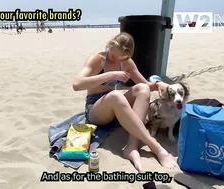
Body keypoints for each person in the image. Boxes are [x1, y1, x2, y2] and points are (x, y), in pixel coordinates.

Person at [72, 32, 178, 172]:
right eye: (113, 57)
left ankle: (132, 146)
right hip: (96, 110)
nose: (115, 62)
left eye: (120, 59)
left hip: (115, 106)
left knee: (143, 89)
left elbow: (146, 84)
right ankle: (156, 147)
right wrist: (110, 75)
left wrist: (159, 84)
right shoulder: (97, 59)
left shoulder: (126, 63)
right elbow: (77, 85)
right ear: (109, 46)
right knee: (116, 95)